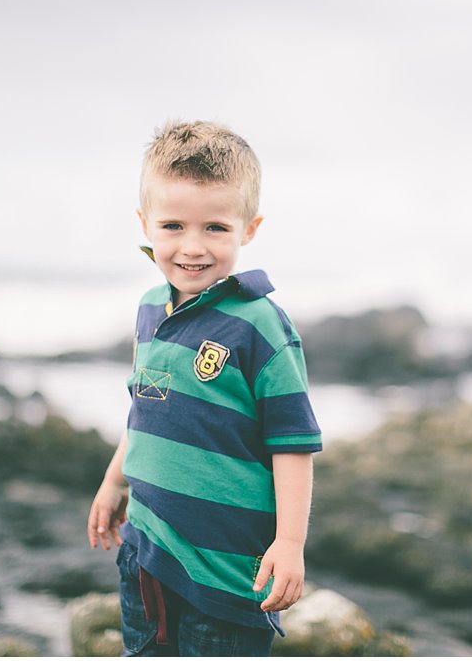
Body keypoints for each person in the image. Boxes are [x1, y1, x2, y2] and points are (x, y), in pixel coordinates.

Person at [87, 120, 322, 656]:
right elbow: (145, 410)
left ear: (249, 228)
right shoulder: (150, 309)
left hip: (226, 571)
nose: (193, 248)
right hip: (145, 552)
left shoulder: (261, 326)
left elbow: (293, 444)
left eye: (215, 228)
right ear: (145, 224)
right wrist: (113, 482)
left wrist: (289, 543)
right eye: (173, 226)